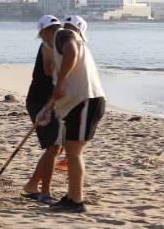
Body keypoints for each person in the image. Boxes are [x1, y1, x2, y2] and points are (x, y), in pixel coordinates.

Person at [49, 15, 105, 214]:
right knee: (73, 149)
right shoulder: (74, 38)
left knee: (74, 151)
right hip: (83, 101)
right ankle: (72, 196)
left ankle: (76, 200)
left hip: (86, 100)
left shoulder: (64, 34)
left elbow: (71, 53)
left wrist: (61, 82)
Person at [22, 15, 62, 204]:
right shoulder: (47, 47)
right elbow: (48, 72)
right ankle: (44, 192)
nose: (56, 32)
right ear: (43, 32)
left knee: (55, 148)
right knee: (53, 147)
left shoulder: (58, 46)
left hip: (50, 102)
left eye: (58, 28)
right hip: (40, 102)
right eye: (52, 29)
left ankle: (32, 185)